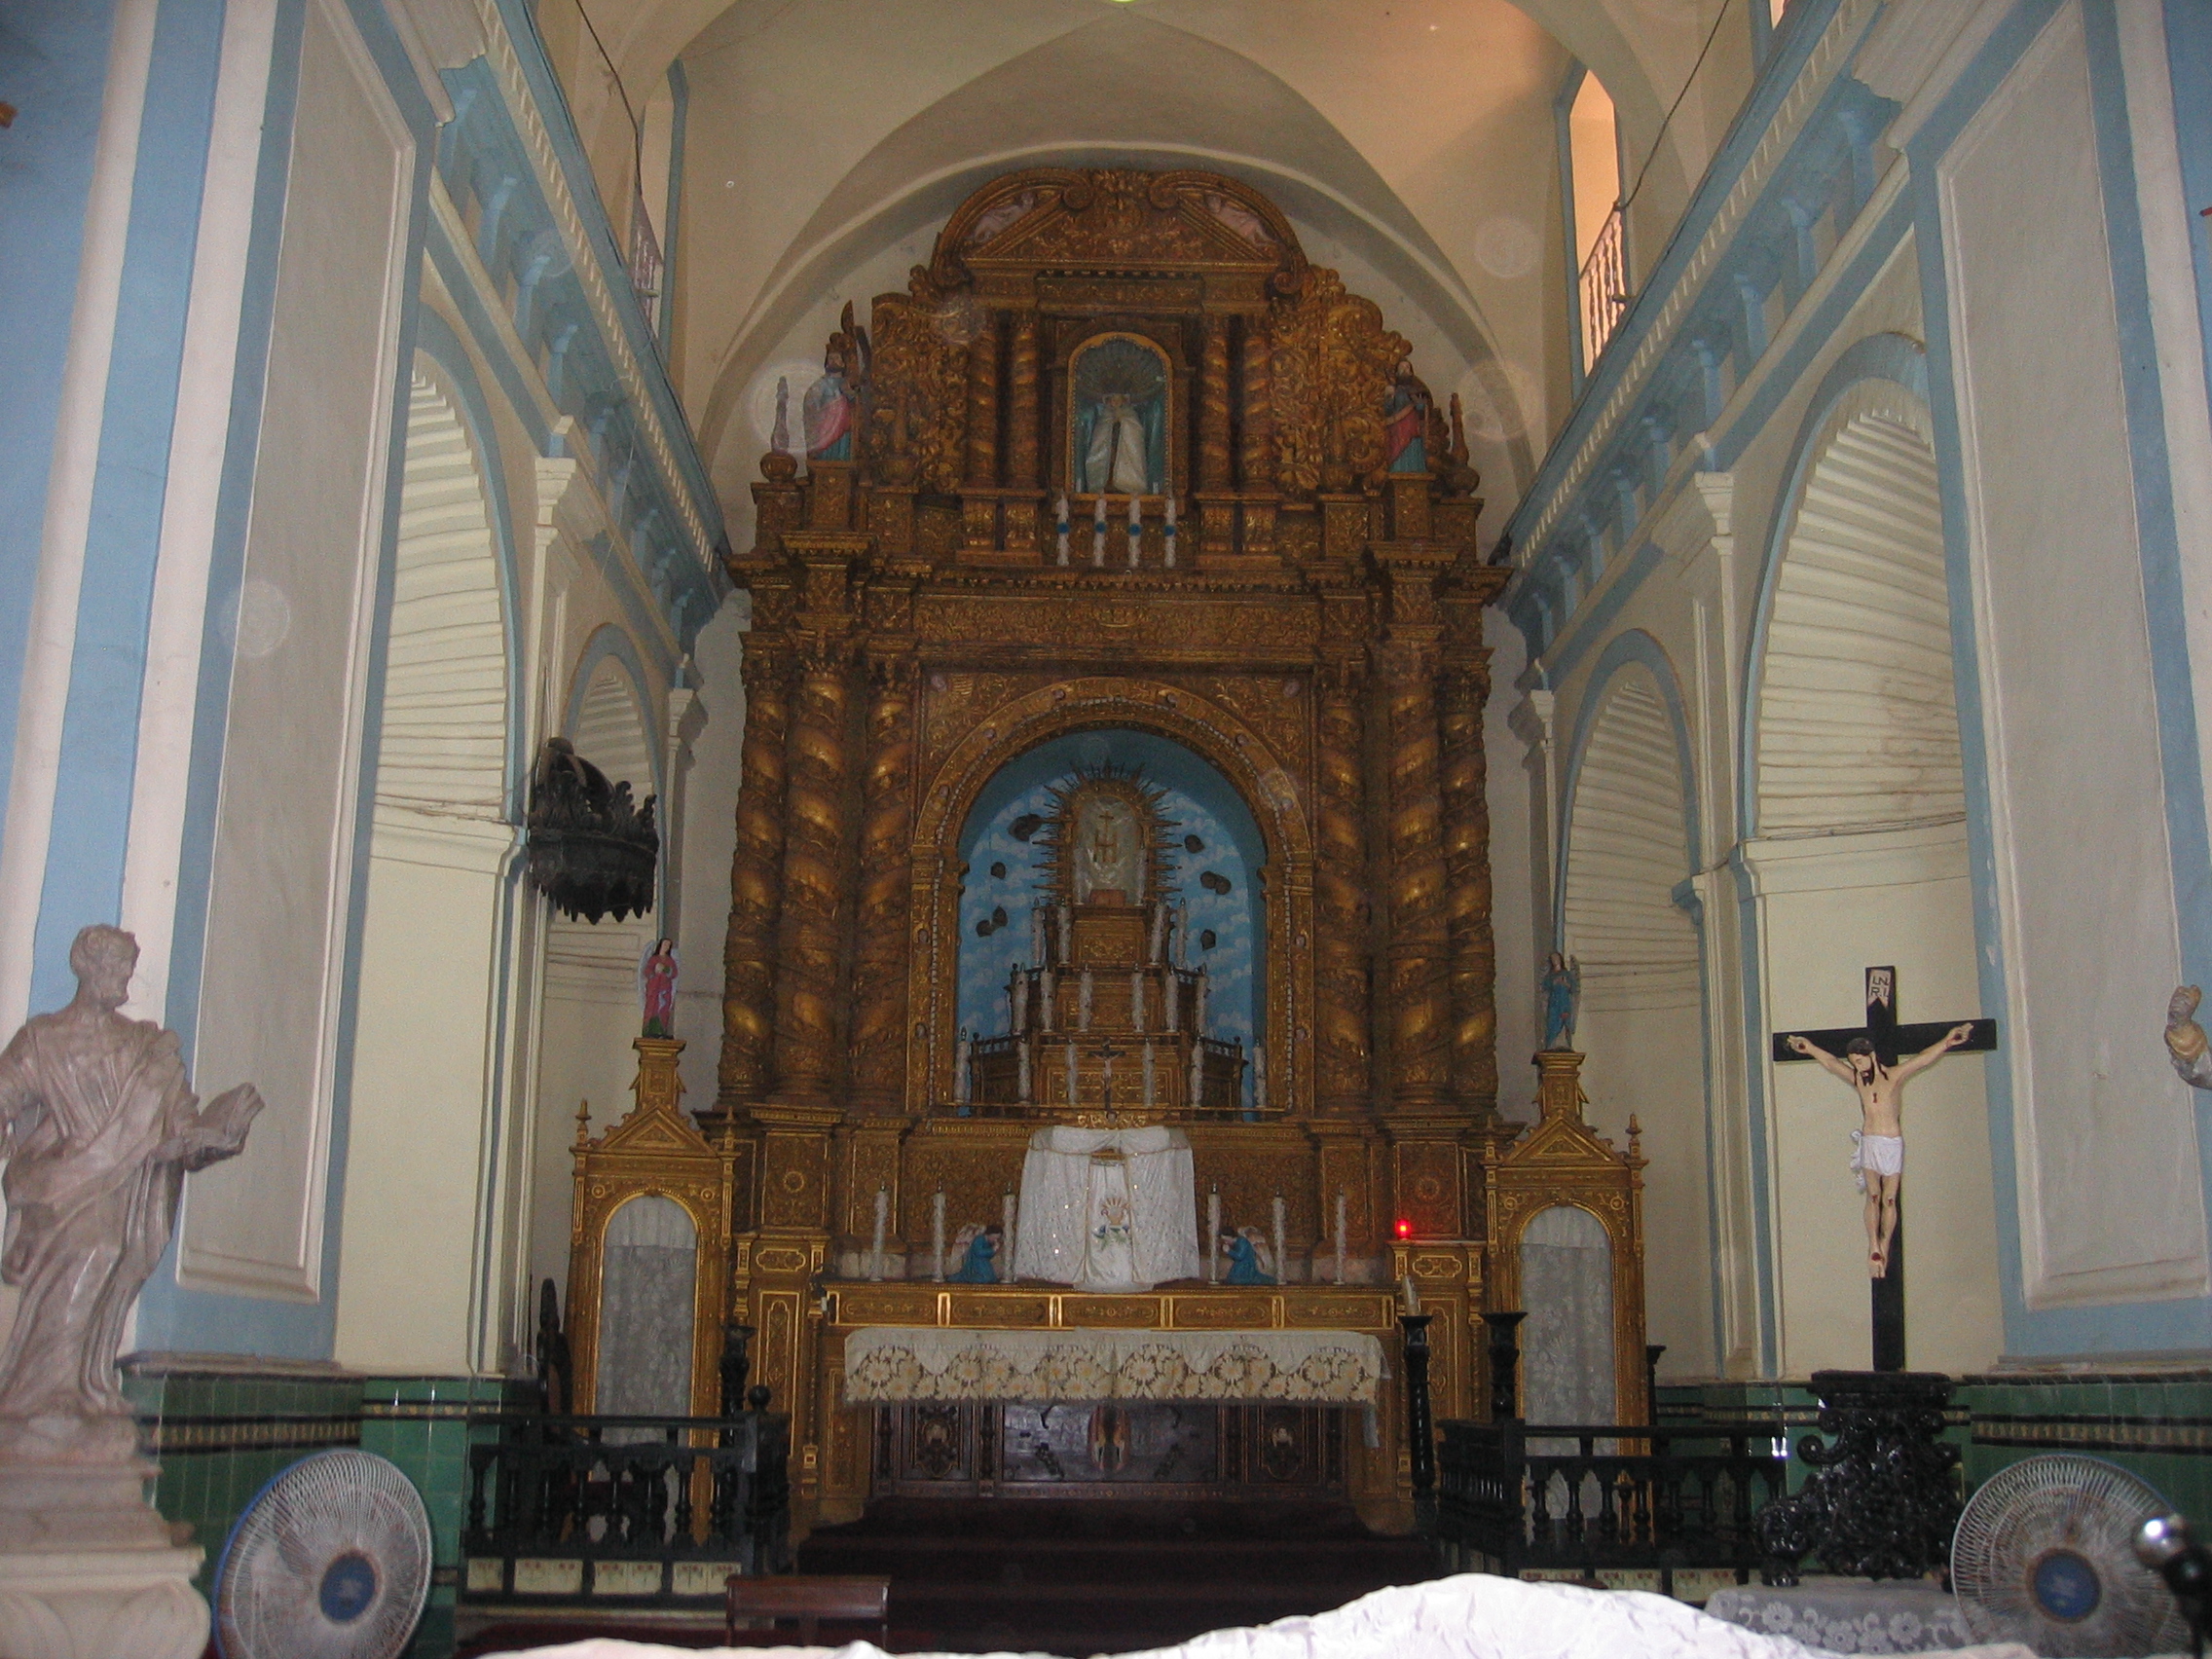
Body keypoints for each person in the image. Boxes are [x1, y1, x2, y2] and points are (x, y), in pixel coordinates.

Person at [0, 925, 262, 1457]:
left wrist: (216, 1139)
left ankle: (77, 1390)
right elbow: (5, 1095)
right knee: (97, 1247)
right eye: (115, 967)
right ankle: (42, 1397)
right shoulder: (42, 1039)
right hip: (61, 1187)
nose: (124, 979)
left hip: (128, 1195)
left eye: (128, 968)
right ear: (85, 967)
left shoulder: (148, 1048)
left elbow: (181, 1131)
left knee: (113, 1254)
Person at [1785, 1022, 1974, 1278]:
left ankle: (1885, 1246)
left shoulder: (1894, 1076)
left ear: (1871, 1056)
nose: (1857, 1067)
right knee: (1873, 1196)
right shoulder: (1858, 1080)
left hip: (1890, 1142)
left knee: (1889, 1198)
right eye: (1854, 1062)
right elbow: (1831, 1063)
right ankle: (1874, 1244)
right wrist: (1808, 1048)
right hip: (1870, 1141)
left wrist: (1949, 1041)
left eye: (1860, 1061)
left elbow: (1922, 1059)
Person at [1540, 952, 1581, 1051]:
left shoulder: (1566, 974)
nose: (1555, 960)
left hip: (1564, 1002)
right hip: (1554, 1003)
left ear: (1560, 960)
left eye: (1556, 958)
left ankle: (1564, 1044)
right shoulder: (1550, 975)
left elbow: (1573, 988)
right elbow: (1544, 986)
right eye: (1553, 958)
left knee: (1564, 1023)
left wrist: (1565, 984)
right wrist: (1554, 982)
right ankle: (1551, 1045)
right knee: (1552, 1024)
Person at [641, 938, 678, 1038]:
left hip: (664, 989)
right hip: (654, 988)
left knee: (663, 1008)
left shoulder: (670, 960)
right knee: (652, 1007)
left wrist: (665, 969)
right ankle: (649, 1029)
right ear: (660, 945)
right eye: (665, 944)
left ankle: (661, 1030)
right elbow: (647, 971)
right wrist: (655, 971)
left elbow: (674, 973)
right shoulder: (654, 959)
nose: (666, 947)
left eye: (668, 945)